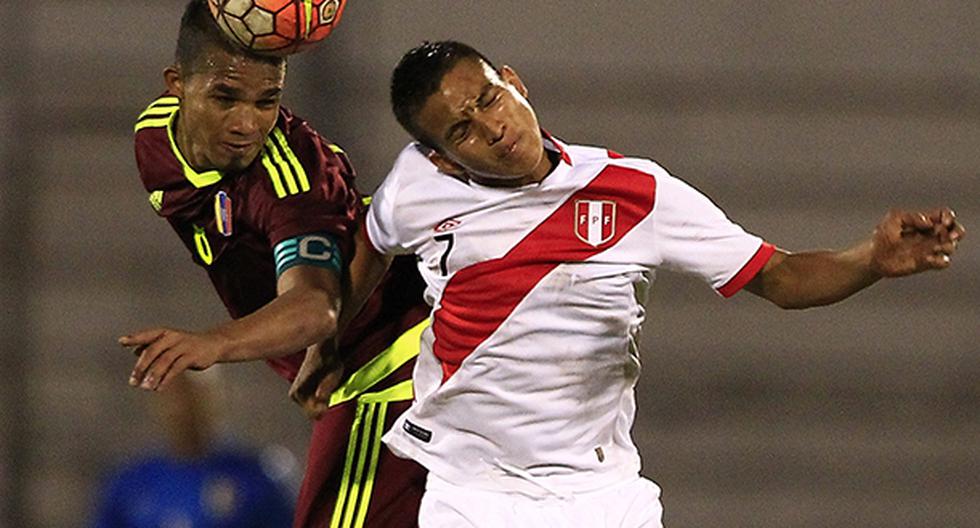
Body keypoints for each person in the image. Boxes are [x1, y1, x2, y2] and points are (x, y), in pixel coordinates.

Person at [323, 40, 965, 527]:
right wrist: (330, 344)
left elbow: (779, 275)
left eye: (491, 99)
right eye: (461, 129)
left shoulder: (635, 191)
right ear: (440, 155)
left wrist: (869, 261)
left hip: (601, 497)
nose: (492, 128)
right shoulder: (416, 187)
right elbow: (373, 246)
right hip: (472, 495)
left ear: (514, 85)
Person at [120, 2, 428, 526]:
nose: (247, 123)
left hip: (391, 365)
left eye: (268, 101)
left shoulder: (289, 179)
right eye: (225, 97)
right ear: (176, 85)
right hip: (355, 372)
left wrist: (211, 344)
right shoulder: (155, 141)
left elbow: (312, 307)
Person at [92, 372, 294, 527]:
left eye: (189, 393)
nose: (179, 407)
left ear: (213, 397)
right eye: (170, 396)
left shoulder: (256, 477)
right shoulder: (131, 482)